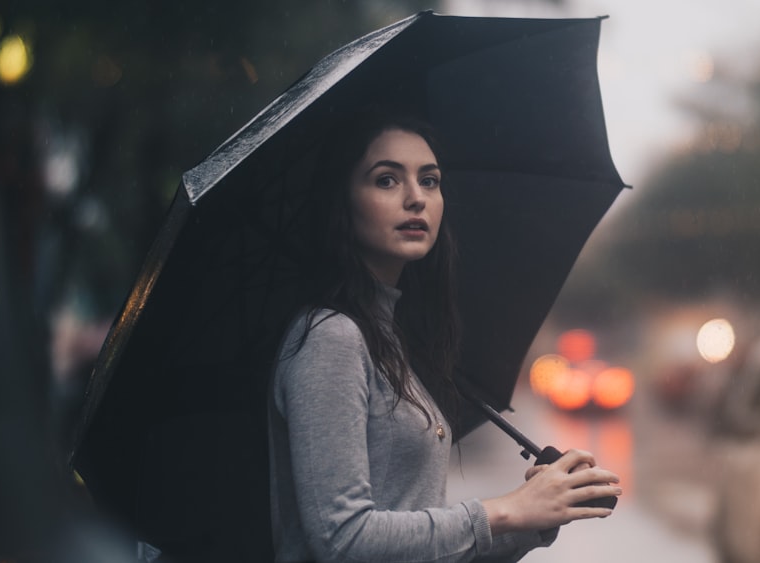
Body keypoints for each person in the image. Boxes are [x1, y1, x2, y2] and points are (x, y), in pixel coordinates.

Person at [266, 111, 622, 563]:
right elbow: (343, 540)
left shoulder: (390, 337)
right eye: (386, 181)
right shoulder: (331, 338)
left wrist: (538, 515)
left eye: (430, 181)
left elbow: (424, 546)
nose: (416, 198)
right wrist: (506, 511)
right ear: (342, 200)